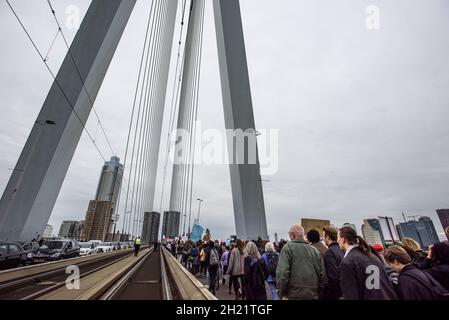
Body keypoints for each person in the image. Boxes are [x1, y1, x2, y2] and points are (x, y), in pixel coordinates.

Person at [338, 227, 397, 300]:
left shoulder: (347, 262)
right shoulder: (372, 256)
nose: (337, 241)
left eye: (338, 238)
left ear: (342, 240)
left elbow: (351, 295)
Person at [276, 225, 326, 300]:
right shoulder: (314, 250)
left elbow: (282, 273)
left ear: (292, 235)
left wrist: (282, 293)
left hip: (293, 295)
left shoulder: (288, 248)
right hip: (312, 294)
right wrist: (318, 292)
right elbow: (322, 275)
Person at [321, 226, 344, 300]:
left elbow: (333, 278)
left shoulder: (329, 252)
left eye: (324, 236)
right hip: (344, 292)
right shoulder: (342, 250)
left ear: (327, 237)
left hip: (335, 294)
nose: (323, 239)